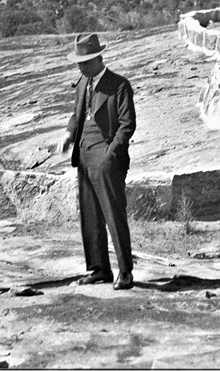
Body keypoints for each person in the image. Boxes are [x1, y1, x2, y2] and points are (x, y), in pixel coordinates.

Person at [56, 33, 136, 290]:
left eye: (85, 62)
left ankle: (125, 272)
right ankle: (99, 269)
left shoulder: (119, 85)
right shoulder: (83, 82)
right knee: (90, 216)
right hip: (83, 156)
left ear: (98, 58)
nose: (81, 67)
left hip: (106, 159)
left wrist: (109, 156)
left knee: (113, 215)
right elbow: (76, 116)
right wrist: (69, 135)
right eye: (79, 62)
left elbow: (127, 126)